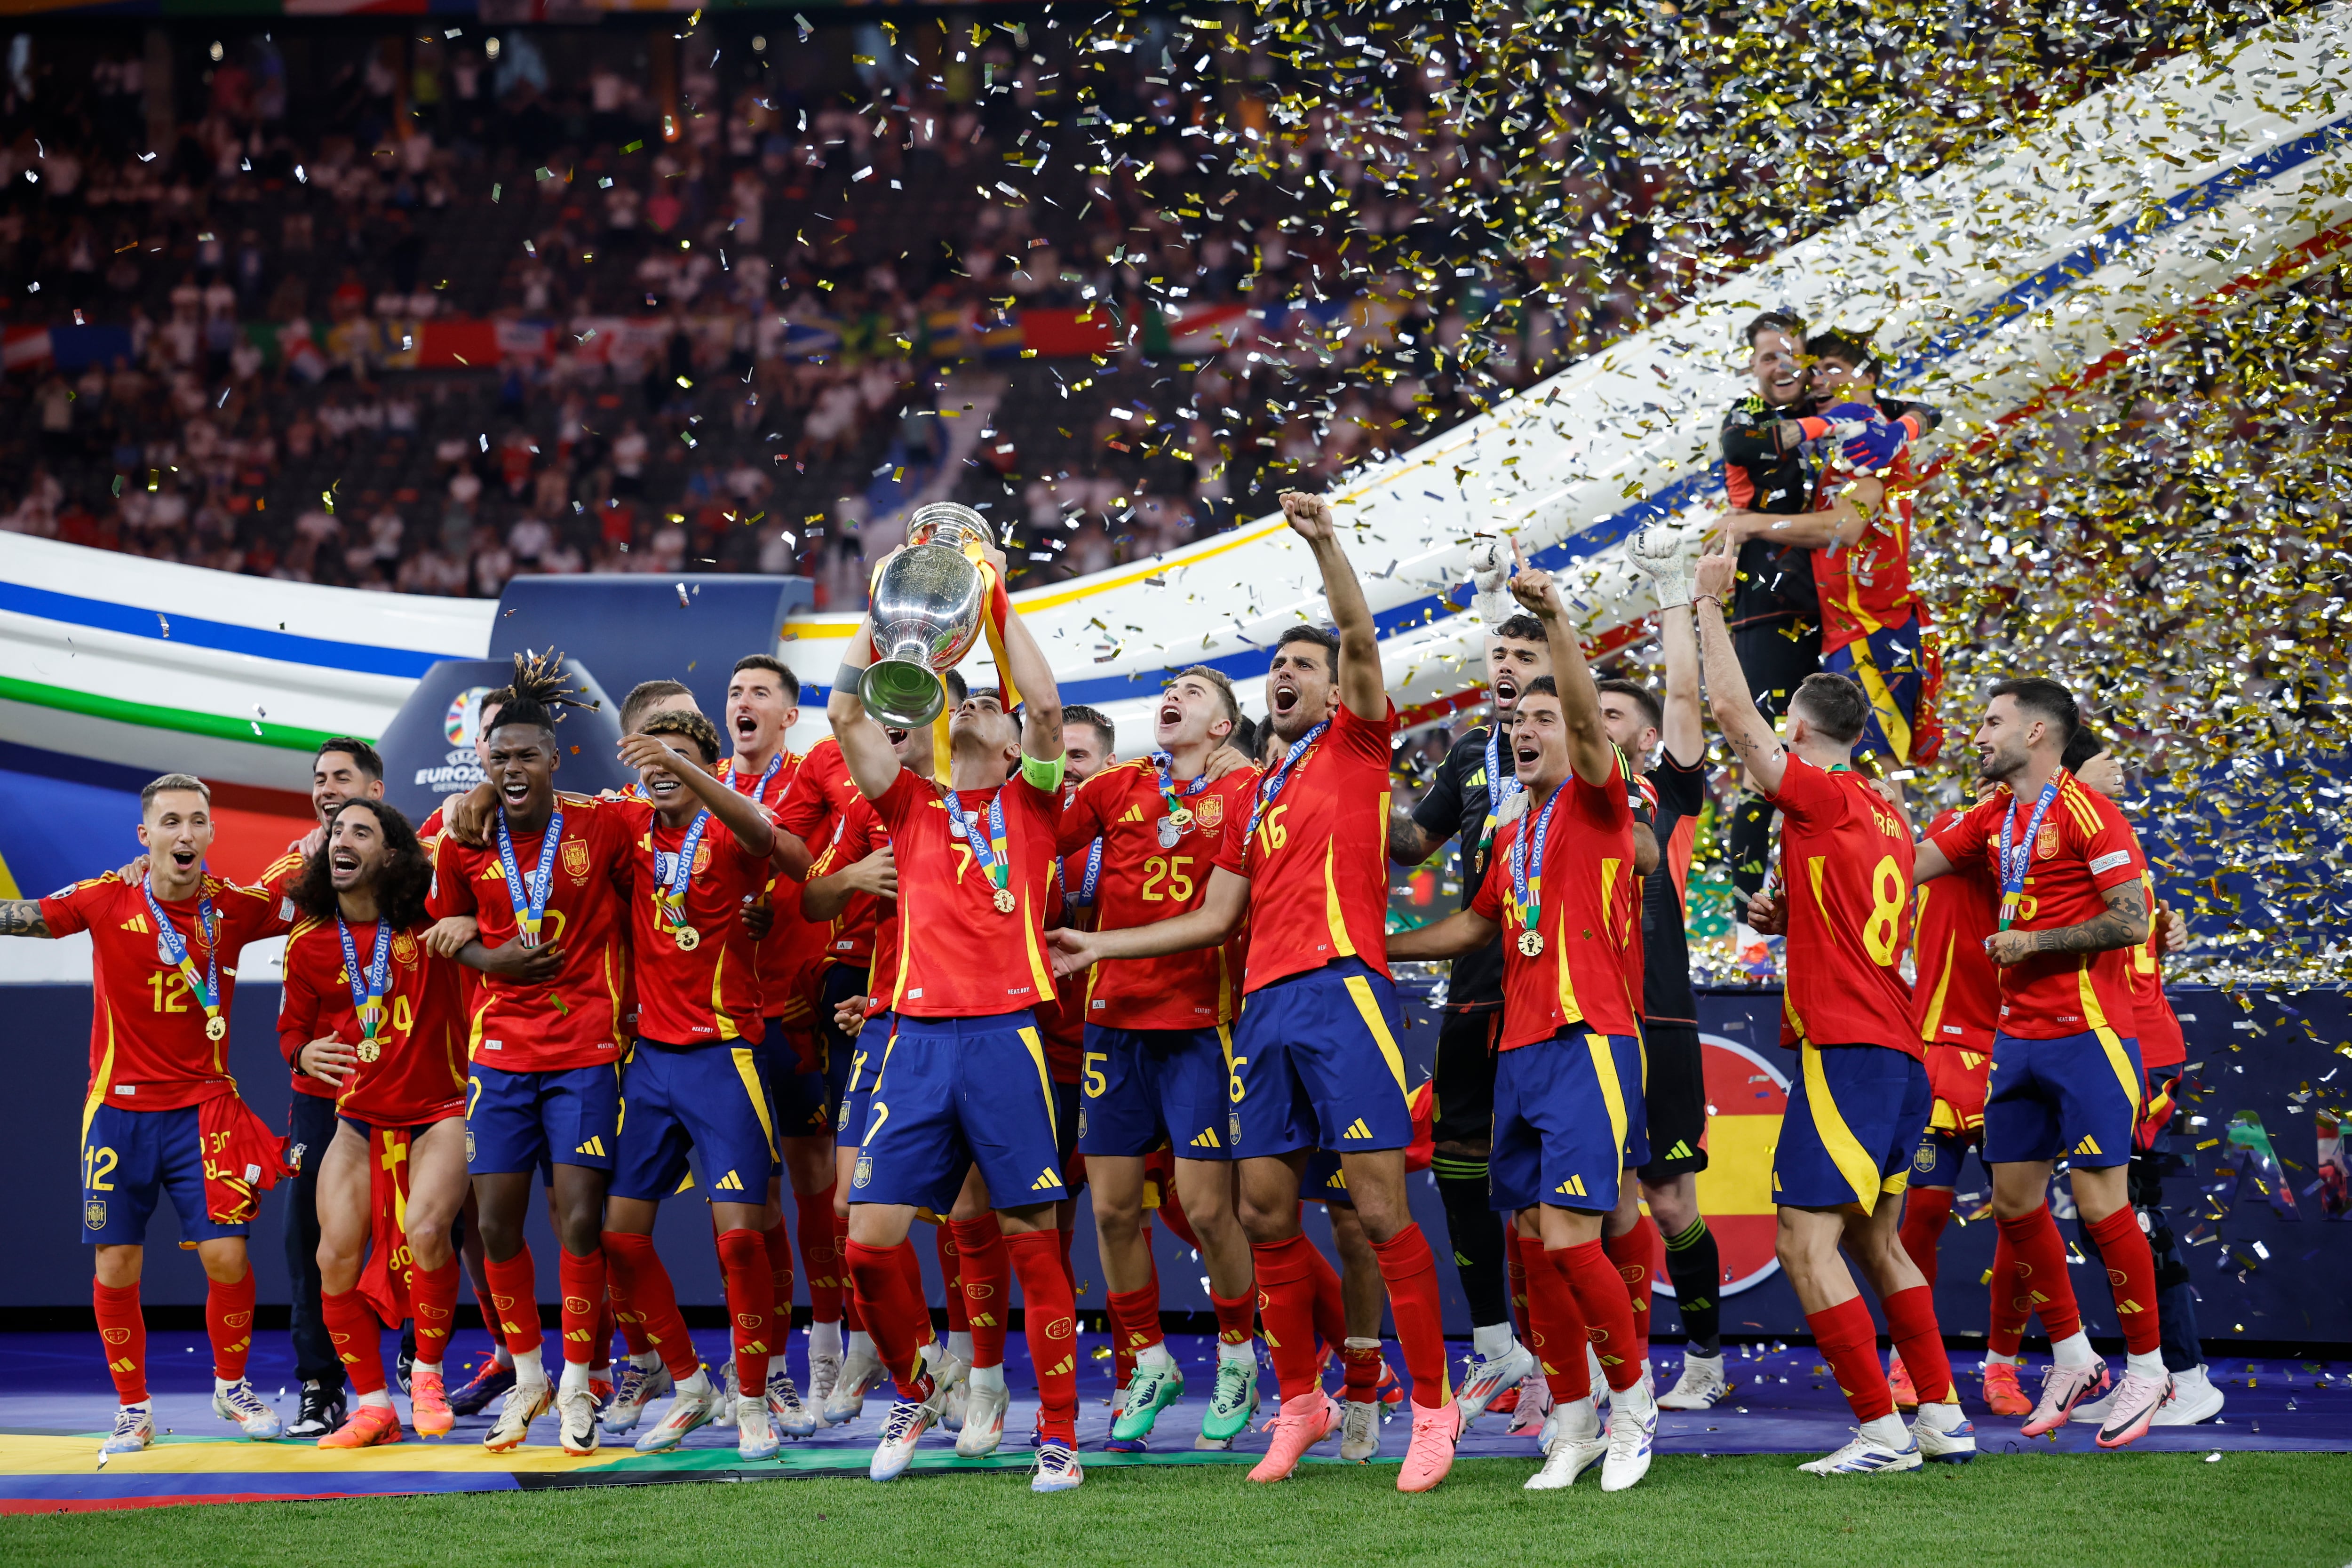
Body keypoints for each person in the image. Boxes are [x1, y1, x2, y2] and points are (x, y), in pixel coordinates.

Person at [1049, 491, 1463, 1494]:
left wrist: (1324, 545)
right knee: (1265, 1209)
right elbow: (1213, 915)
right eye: (1276, 664)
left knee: (1372, 1207)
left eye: (1301, 666)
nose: (1286, 673)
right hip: (1264, 1008)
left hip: (1344, 992)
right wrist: (1098, 940)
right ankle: (1300, 1401)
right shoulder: (1263, 792)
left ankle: (1430, 1404)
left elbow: (1359, 632)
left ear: (1337, 691)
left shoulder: (1361, 746)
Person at [1693, 548, 1975, 1474]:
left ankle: (1878, 1429)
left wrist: (1704, 603)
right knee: (1875, 1240)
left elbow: (1731, 715)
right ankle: (1938, 1413)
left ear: (1801, 725)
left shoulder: (1813, 793)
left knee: (1801, 1243)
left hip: (1848, 1044)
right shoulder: (1883, 809)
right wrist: (1793, 910)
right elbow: (1859, 897)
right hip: (1899, 1049)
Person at [1388, 547, 1661, 1495]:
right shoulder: (1515, 831)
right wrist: (1378, 945)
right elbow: (1478, 923)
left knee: (1575, 1239)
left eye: (1545, 718)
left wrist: (1555, 622)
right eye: (1521, 719)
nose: (1528, 729)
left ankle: (1633, 1406)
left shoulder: (1596, 801)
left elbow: (1586, 720)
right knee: (1535, 1242)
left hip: (1589, 1037)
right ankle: (1574, 1418)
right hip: (1521, 1047)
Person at [825, 535, 1088, 1495]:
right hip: (917, 1042)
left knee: (1028, 1234)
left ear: (1014, 745)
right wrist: (893, 608)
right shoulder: (910, 806)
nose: (975, 702)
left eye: (988, 701)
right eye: (963, 696)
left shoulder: (1037, 804)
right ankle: (912, 1384)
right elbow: (846, 707)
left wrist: (992, 588)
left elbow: (1049, 707)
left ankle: (1057, 1433)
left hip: (1006, 1038)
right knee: (868, 1239)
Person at [2, 775, 296, 1454]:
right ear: (146, 835)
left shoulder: (234, 908)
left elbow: (305, 902)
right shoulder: (108, 897)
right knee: (117, 1264)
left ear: (211, 834)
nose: (185, 834)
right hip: (119, 1111)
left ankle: (231, 1386)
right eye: (170, 822)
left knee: (227, 1255)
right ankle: (133, 1409)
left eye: (197, 821)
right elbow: (29, 917)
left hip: (205, 1107)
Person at [1912, 678, 2169, 1448]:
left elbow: (2132, 917)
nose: (1978, 733)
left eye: (1992, 721)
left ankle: (2149, 1367)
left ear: (2037, 732)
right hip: (2014, 1040)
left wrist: (2036, 943)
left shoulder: (2089, 813)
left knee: (2099, 1207)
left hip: (2088, 1035)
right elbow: (1912, 861)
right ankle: (2071, 1353)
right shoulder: (1995, 816)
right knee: (2016, 1203)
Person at [426, 653, 632, 1454]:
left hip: (584, 1046)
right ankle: (530, 1376)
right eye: (498, 757)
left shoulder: (602, 824)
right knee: (499, 1228)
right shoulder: (462, 841)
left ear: (555, 757)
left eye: (526, 755)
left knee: (581, 1220)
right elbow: (445, 934)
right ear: (484, 760)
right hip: (501, 1053)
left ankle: (580, 1384)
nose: (512, 769)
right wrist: (491, 961)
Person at [1059, 670, 1262, 1449]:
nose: (1174, 697)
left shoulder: (1240, 792)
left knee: (1209, 1209)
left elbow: (1219, 921)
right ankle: (1149, 1357)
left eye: (1197, 693)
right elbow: (1041, 829)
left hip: (1197, 1024)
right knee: (1112, 1208)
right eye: (1170, 689)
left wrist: (1100, 945)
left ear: (1221, 727)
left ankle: (1241, 1352)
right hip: (1113, 1022)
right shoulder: (1117, 786)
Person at [596, 709, 802, 1461]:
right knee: (619, 1236)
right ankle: (689, 1384)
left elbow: (767, 840)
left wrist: (685, 768)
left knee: (742, 1238)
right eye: (649, 755)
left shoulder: (727, 828)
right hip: (649, 1060)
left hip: (725, 1055)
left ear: (706, 764)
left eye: (677, 755)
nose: (659, 768)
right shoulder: (627, 827)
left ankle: (751, 1399)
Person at [779, 667, 968, 1415]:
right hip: (890, 1016)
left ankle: (985, 1378)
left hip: (984, 1023)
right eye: (889, 710)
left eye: (918, 710)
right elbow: (812, 895)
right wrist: (857, 874)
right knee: (851, 1207)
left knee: (969, 1212)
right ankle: (923, 1361)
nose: (897, 723)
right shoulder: (876, 809)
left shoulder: (1004, 801)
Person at [1385, 612, 1551, 1419]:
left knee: (1555, 1182)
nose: (1508, 666)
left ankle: (1573, 1361)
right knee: (1458, 1164)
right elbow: (1413, 843)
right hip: (1476, 981)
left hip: (1557, 988)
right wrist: (1365, 781)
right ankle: (1497, 1344)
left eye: (1526, 654)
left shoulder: (1581, 753)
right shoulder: (1468, 754)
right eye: (1500, 654)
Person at [278, 798, 471, 1447]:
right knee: (332, 1253)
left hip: (439, 1111)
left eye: (361, 830)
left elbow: (465, 861)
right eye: (338, 830)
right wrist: (302, 1052)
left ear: (390, 855)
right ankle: (372, 1405)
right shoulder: (308, 942)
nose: (342, 838)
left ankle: (429, 1374)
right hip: (359, 1120)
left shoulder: (428, 922)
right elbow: (290, 1032)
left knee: (426, 1231)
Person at [2057, 732, 2225, 1428]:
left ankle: (2182, 1375)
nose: (2121, 767)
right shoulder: (2100, 839)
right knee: (2108, 1218)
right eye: (2105, 758)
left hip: (2139, 1050)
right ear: (2072, 769)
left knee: (2131, 1215)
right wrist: (2164, 929)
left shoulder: (2095, 835)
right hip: (2120, 1045)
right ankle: (2159, 1368)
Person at [1613, 527, 1731, 1410]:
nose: (1596, 723)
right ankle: (1606, 1369)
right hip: (1571, 1011)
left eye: (1616, 715)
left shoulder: (1666, 792)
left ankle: (1701, 1357)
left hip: (1656, 1012)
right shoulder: (1545, 797)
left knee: (1667, 1196)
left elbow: (1687, 696)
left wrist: (1675, 602)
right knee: (1587, 1202)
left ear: (1650, 739)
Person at [711, 655, 835, 1437]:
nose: (744, 702)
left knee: (817, 1195)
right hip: (723, 1024)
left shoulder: (813, 775)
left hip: (796, 1013)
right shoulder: (700, 782)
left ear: (789, 715)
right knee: (746, 1209)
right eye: (735, 692)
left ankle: (829, 1357)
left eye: (760, 693)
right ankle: (770, 1367)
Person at [258, 737, 389, 1441]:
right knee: (305, 1233)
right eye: (318, 779)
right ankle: (321, 1384)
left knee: (440, 1231)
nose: (327, 788)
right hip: (324, 1093)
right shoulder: (295, 865)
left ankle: (417, 1366)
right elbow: (233, 903)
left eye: (342, 777)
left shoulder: (409, 859)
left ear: (377, 787)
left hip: (408, 1086)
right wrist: (302, 1048)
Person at [1891, 769, 2016, 1412]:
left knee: (2020, 1221)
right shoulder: (1953, 831)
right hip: (1938, 1048)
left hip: (2014, 1051)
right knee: (1923, 1214)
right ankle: (1912, 1359)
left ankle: (2003, 1366)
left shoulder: (2041, 844)